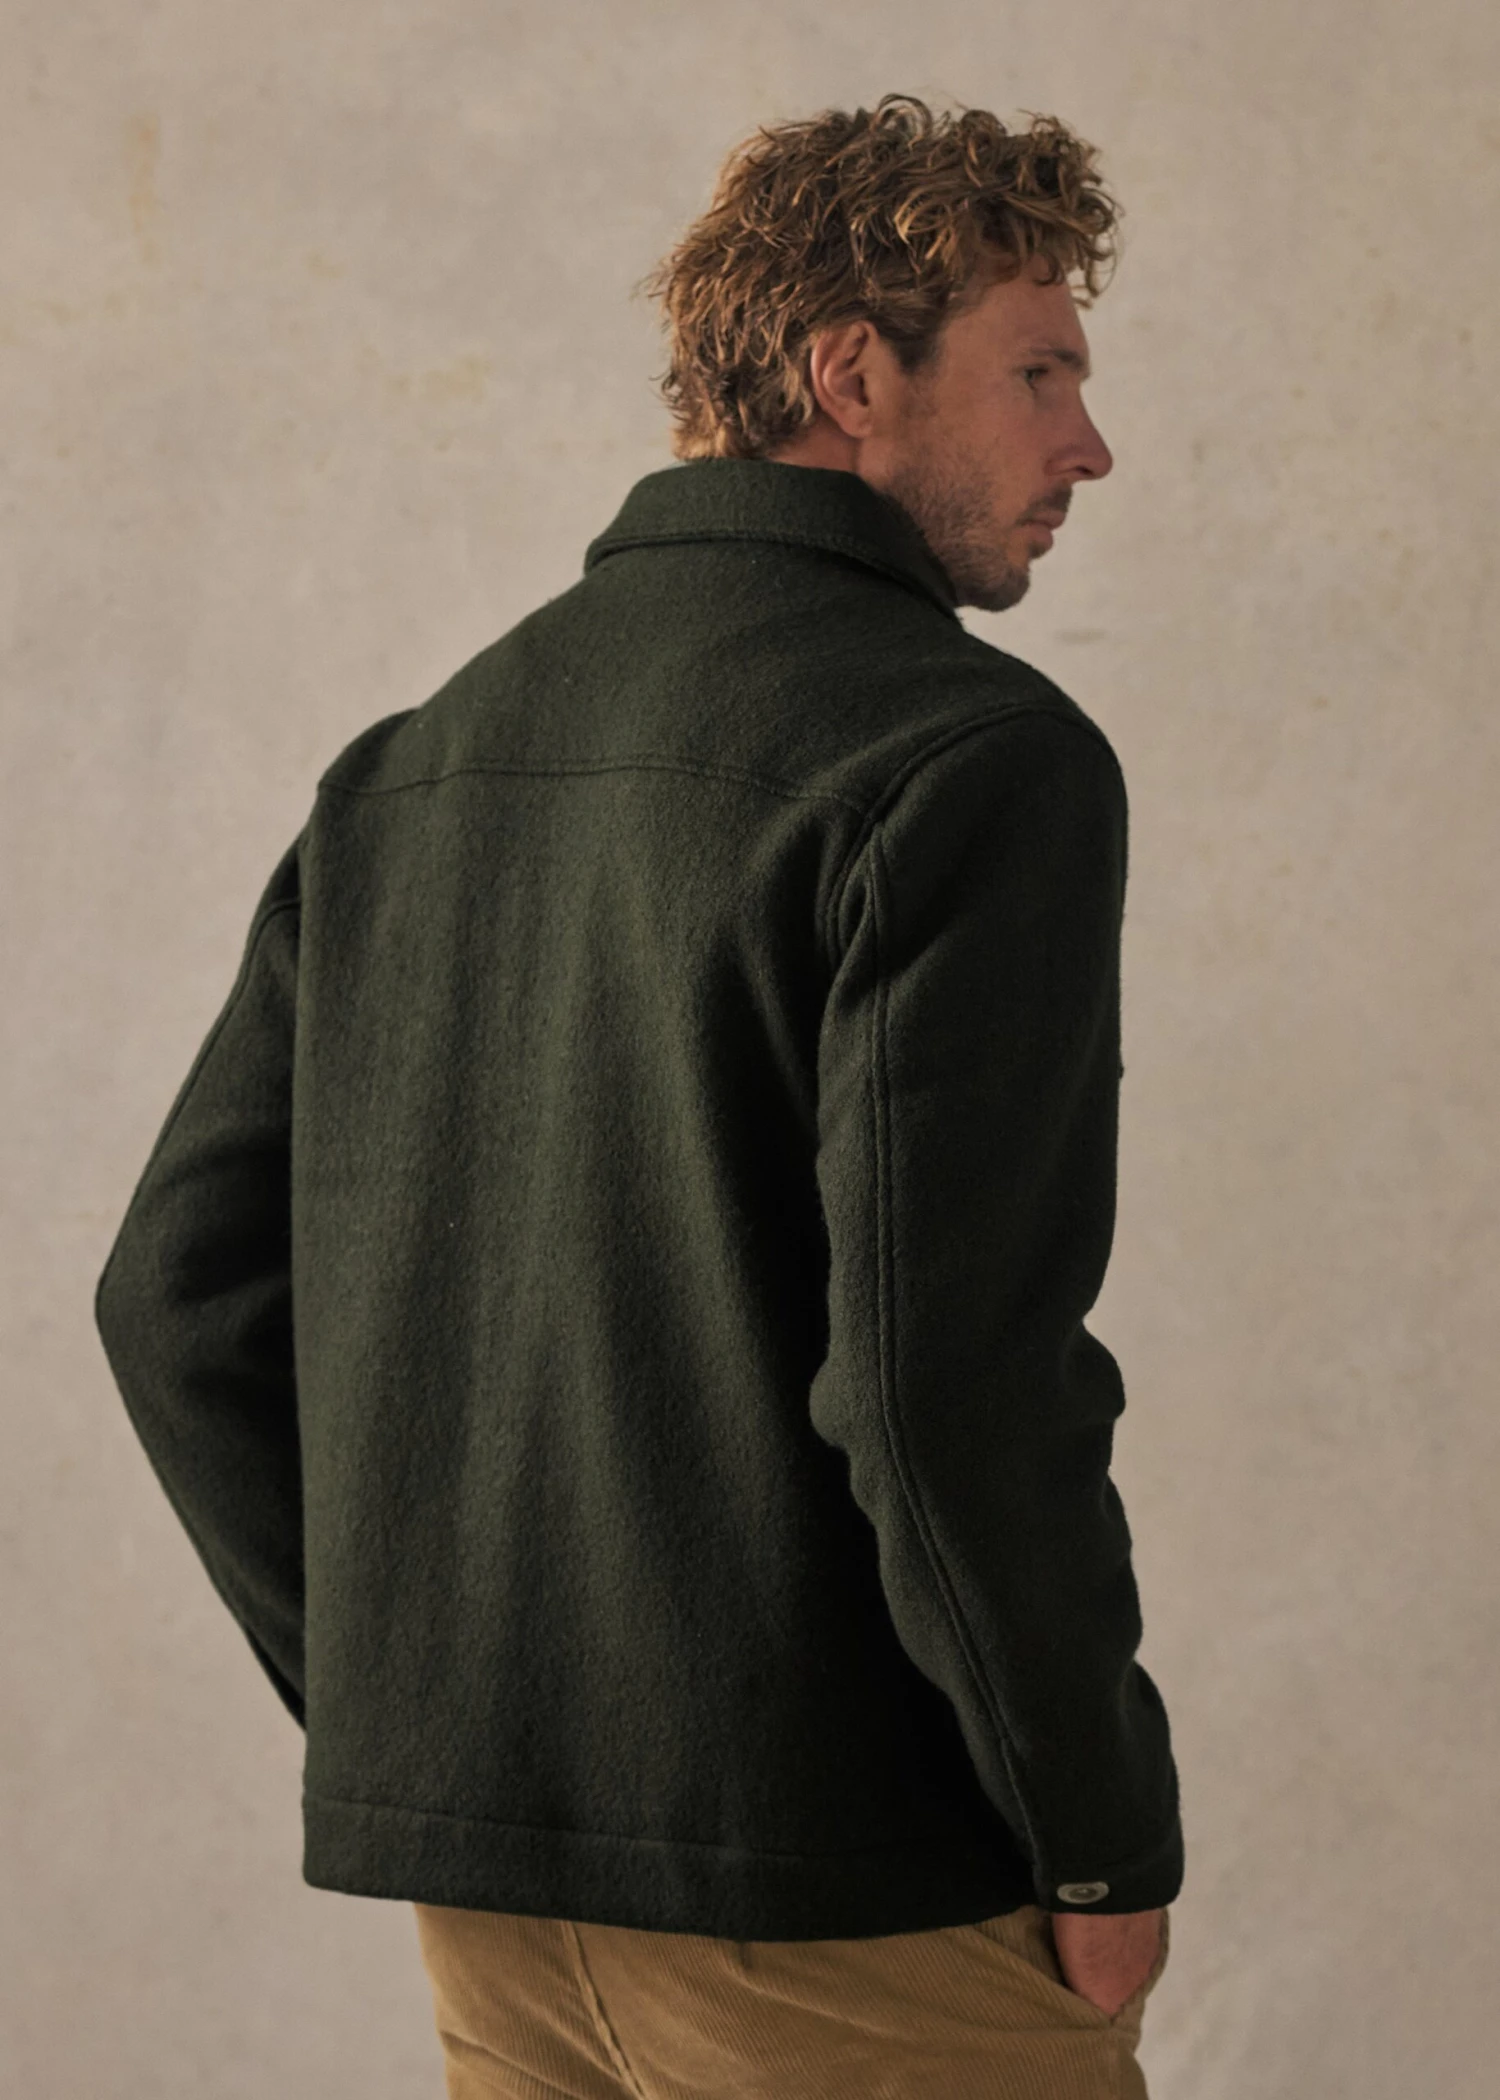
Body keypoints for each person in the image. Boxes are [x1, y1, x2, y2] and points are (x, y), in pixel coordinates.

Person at [94, 90, 1183, 2098]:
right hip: (854, 1915)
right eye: (1040, 373)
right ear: (851, 376)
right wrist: (1104, 1836)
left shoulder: (417, 763)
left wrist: (422, 1719)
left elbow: (176, 1300)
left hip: (503, 1911)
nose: (1088, 443)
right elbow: (948, 1385)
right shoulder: (968, 760)